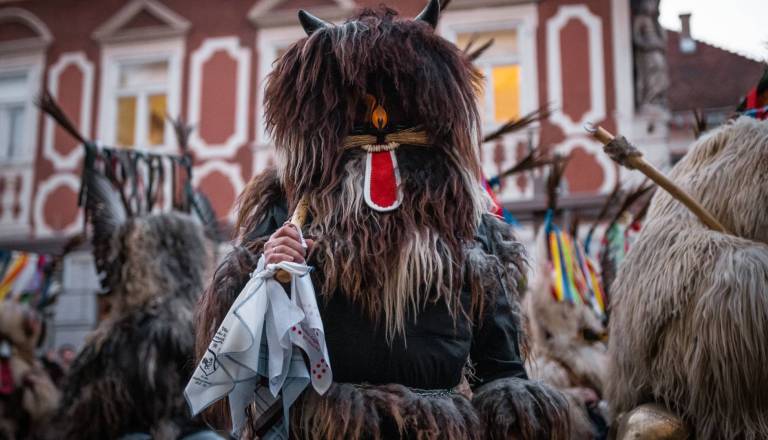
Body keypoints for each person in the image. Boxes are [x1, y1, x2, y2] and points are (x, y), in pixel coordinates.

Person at [195, 2, 584, 438]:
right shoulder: (291, 213)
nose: (379, 118)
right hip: (327, 428)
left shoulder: (473, 227)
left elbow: (500, 368)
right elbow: (247, 355)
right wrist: (268, 274)